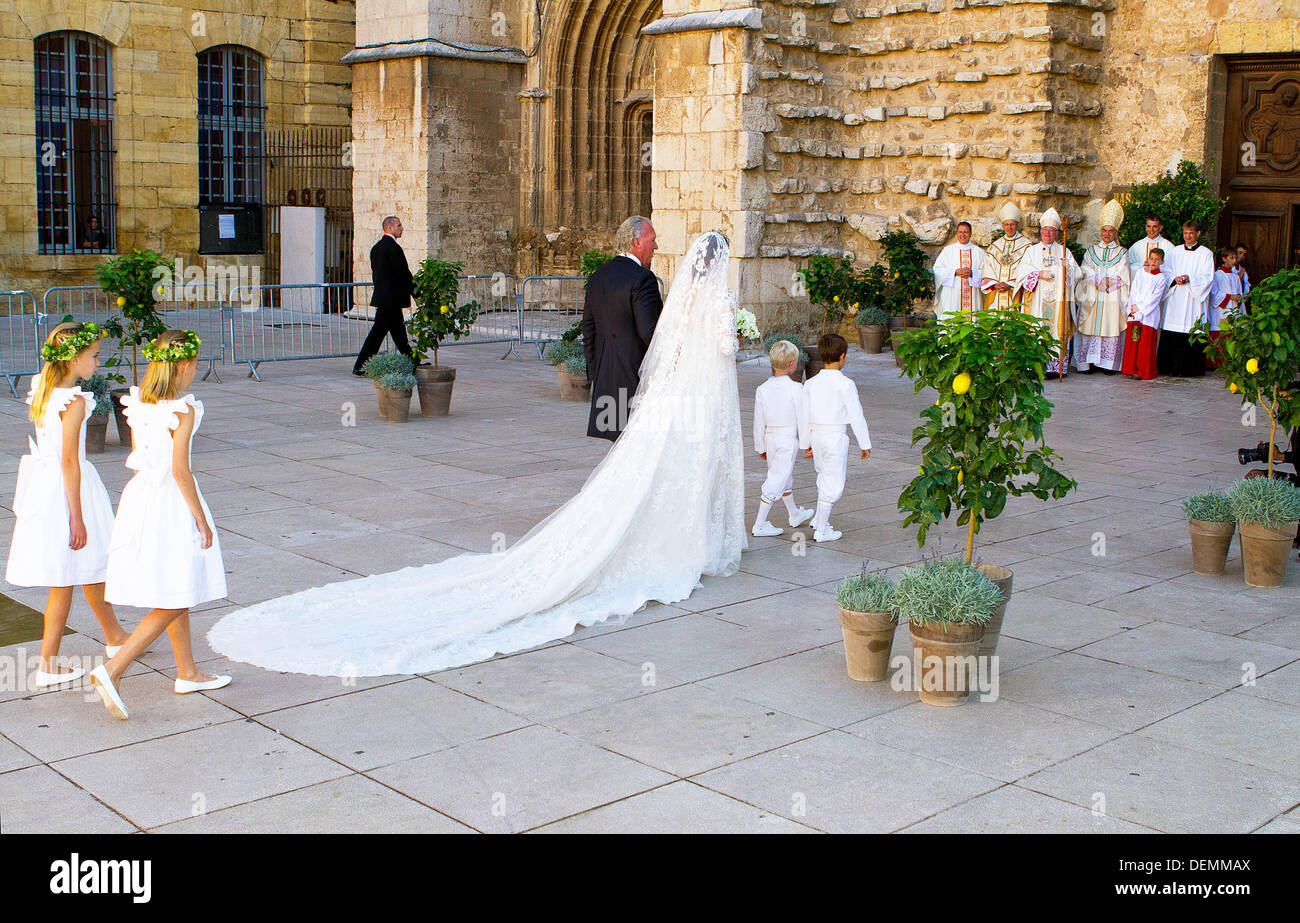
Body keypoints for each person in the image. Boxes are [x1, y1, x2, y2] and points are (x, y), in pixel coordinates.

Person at [208, 232, 747, 677]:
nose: (657, 244)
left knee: (631, 462)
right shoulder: (664, 288)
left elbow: (593, 329)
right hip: (650, 384)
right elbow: (663, 341)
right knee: (647, 466)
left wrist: (597, 365)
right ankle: (655, 535)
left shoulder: (623, 278)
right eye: (652, 236)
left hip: (618, 376)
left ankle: (639, 523)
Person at [90, 330, 230, 720]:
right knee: (176, 595)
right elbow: (180, 470)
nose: (195, 371)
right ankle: (113, 669)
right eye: (195, 364)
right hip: (171, 500)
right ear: (184, 366)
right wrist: (201, 519)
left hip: (141, 499)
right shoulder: (183, 409)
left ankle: (187, 672)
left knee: (175, 584)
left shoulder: (141, 403)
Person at [6, 323, 128, 688]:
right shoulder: (73, 402)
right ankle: (47, 663)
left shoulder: (45, 391)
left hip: (47, 487)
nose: (97, 362)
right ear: (75, 358)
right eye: (93, 356)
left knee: (86, 567)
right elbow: (70, 461)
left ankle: (114, 635)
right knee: (65, 578)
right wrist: (77, 516)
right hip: (68, 490)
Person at [582, 216, 663, 441]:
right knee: (636, 446)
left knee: (618, 449)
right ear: (636, 242)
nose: (655, 246)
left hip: (606, 379)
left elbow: (588, 329)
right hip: (634, 380)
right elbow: (650, 332)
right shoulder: (642, 279)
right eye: (652, 240)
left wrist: (595, 373)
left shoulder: (598, 276)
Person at [800, 334, 871, 543]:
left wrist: (806, 443)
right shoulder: (846, 384)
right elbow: (856, 415)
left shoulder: (810, 384)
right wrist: (864, 443)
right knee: (835, 484)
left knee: (823, 477)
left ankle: (819, 520)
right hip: (834, 437)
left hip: (816, 436)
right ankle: (821, 530)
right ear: (843, 356)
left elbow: (804, 416)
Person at [752, 340, 814, 537]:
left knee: (783, 475)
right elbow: (803, 420)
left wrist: (760, 445)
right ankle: (760, 524)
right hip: (787, 439)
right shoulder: (796, 389)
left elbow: (758, 420)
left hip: (770, 438)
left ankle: (794, 513)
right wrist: (807, 443)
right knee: (777, 477)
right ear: (791, 364)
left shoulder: (762, 389)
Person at [1016, 207, 1079, 378]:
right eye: (1045, 230)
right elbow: (1021, 274)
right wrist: (1038, 274)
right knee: (1036, 329)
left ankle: (1055, 367)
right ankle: (1036, 367)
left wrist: (1069, 268)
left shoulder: (1064, 251)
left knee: (1056, 330)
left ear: (1057, 233)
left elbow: (1077, 275)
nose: (1048, 234)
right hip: (1037, 302)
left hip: (1058, 303)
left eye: (1051, 231)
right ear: (1040, 231)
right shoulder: (1032, 251)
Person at [1073, 199, 1131, 374]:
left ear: (1115, 232)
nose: (1107, 234)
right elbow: (1084, 268)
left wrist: (1111, 282)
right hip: (1093, 295)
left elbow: (1124, 273)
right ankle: (1087, 363)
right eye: (1104, 231)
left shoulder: (1122, 253)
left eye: (1111, 231)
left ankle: (1107, 364)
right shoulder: (1091, 251)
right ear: (1100, 231)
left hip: (1111, 295)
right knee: (1089, 326)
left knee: (1109, 326)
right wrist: (1096, 278)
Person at [353, 216, 414, 376]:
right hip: (391, 299)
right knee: (378, 333)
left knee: (399, 333)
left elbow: (377, 275)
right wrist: (416, 292)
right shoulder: (393, 248)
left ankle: (413, 362)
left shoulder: (376, 247)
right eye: (399, 225)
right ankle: (361, 365)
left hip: (384, 297)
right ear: (390, 228)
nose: (402, 228)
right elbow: (403, 274)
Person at [1157, 220, 1215, 378]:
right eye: (1185, 233)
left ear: (1198, 233)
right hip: (1176, 296)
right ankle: (1169, 367)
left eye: (1191, 233)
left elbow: (1208, 277)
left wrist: (1190, 279)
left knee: (1192, 327)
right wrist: (1174, 279)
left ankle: (1191, 369)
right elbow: (1165, 270)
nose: (1187, 236)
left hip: (1193, 298)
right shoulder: (1175, 252)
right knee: (1172, 329)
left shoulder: (1206, 254)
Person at [1122, 250, 1169, 381]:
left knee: (1145, 345)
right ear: (1148, 258)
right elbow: (1134, 290)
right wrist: (1133, 308)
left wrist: (1141, 308)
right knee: (1134, 341)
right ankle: (1130, 369)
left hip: (1148, 315)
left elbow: (1155, 298)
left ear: (1162, 262)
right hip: (1135, 314)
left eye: (1157, 260)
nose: (1153, 262)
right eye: (1152, 258)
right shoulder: (1141, 272)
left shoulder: (1161, 278)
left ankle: (1143, 371)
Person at [980, 203, 1032, 311]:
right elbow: (987, 266)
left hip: (1015, 292)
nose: (1009, 228)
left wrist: (1010, 284)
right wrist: (994, 284)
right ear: (1003, 226)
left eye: (1012, 224)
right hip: (996, 292)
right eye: (1006, 224)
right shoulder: (995, 246)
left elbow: (1026, 268)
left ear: (1017, 225)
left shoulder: (1027, 245)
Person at [933, 221, 986, 320]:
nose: (963, 235)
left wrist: (972, 273)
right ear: (957, 233)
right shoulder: (948, 251)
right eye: (960, 232)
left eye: (966, 232)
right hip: (952, 294)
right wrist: (954, 272)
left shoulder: (979, 252)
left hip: (973, 294)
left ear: (970, 233)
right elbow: (938, 270)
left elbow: (986, 272)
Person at [1206, 246, 1243, 370]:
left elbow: (1240, 293)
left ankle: (1229, 363)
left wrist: (1238, 297)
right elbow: (1213, 293)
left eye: (1235, 258)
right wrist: (1229, 297)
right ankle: (1216, 363)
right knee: (1219, 334)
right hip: (1220, 310)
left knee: (1230, 335)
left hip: (1232, 309)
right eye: (1231, 258)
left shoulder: (1236, 276)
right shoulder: (1217, 275)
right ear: (1224, 258)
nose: (1234, 261)